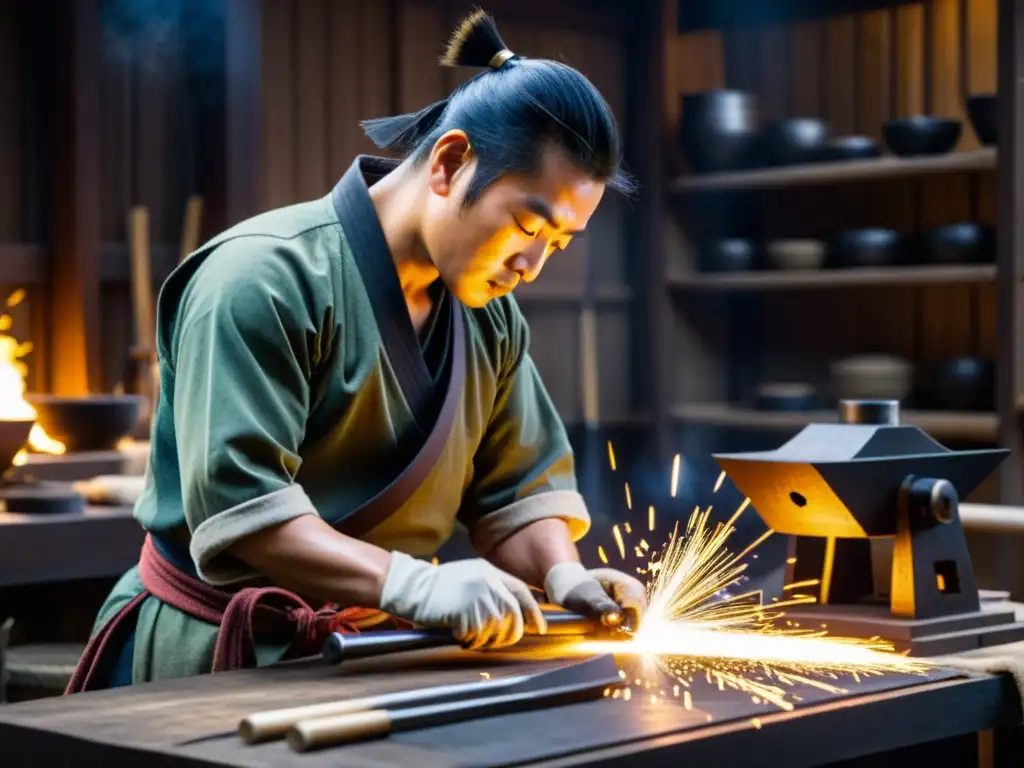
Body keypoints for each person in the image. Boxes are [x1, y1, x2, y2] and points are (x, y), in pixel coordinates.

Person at [66, 8, 647, 693]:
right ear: (451, 162)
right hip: (215, 653)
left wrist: (563, 573)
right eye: (529, 225)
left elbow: (515, 489)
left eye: (557, 244)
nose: (532, 266)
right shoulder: (259, 279)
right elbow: (244, 513)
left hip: (372, 650)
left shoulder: (490, 321)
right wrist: (410, 583)